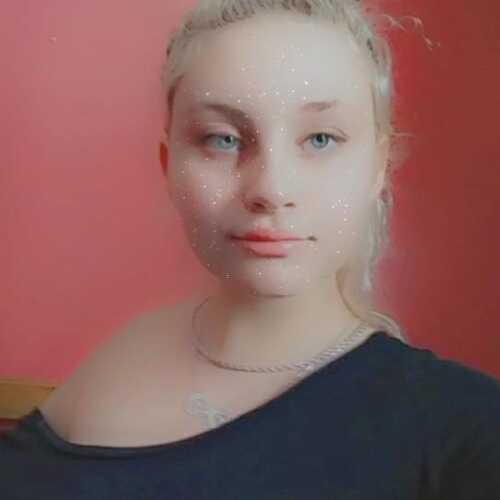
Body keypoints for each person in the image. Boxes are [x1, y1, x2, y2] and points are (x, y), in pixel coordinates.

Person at [1, 1, 499, 498]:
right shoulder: (126, 351)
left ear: (378, 167)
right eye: (222, 139)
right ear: (168, 163)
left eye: (321, 139)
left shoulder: (465, 427)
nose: (271, 189)